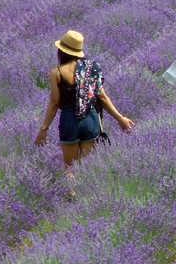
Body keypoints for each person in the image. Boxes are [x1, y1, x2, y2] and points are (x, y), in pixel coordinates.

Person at [35, 30, 135, 184]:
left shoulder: (57, 73)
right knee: (84, 166)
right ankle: (85, 199)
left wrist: (44, 129)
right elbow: (102, 97)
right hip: (91, 119)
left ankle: (72, 198)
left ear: (61, 51)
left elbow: (54, 103)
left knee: (69, 169)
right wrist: (120, 119)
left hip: (70, 121)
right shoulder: (91, 68)